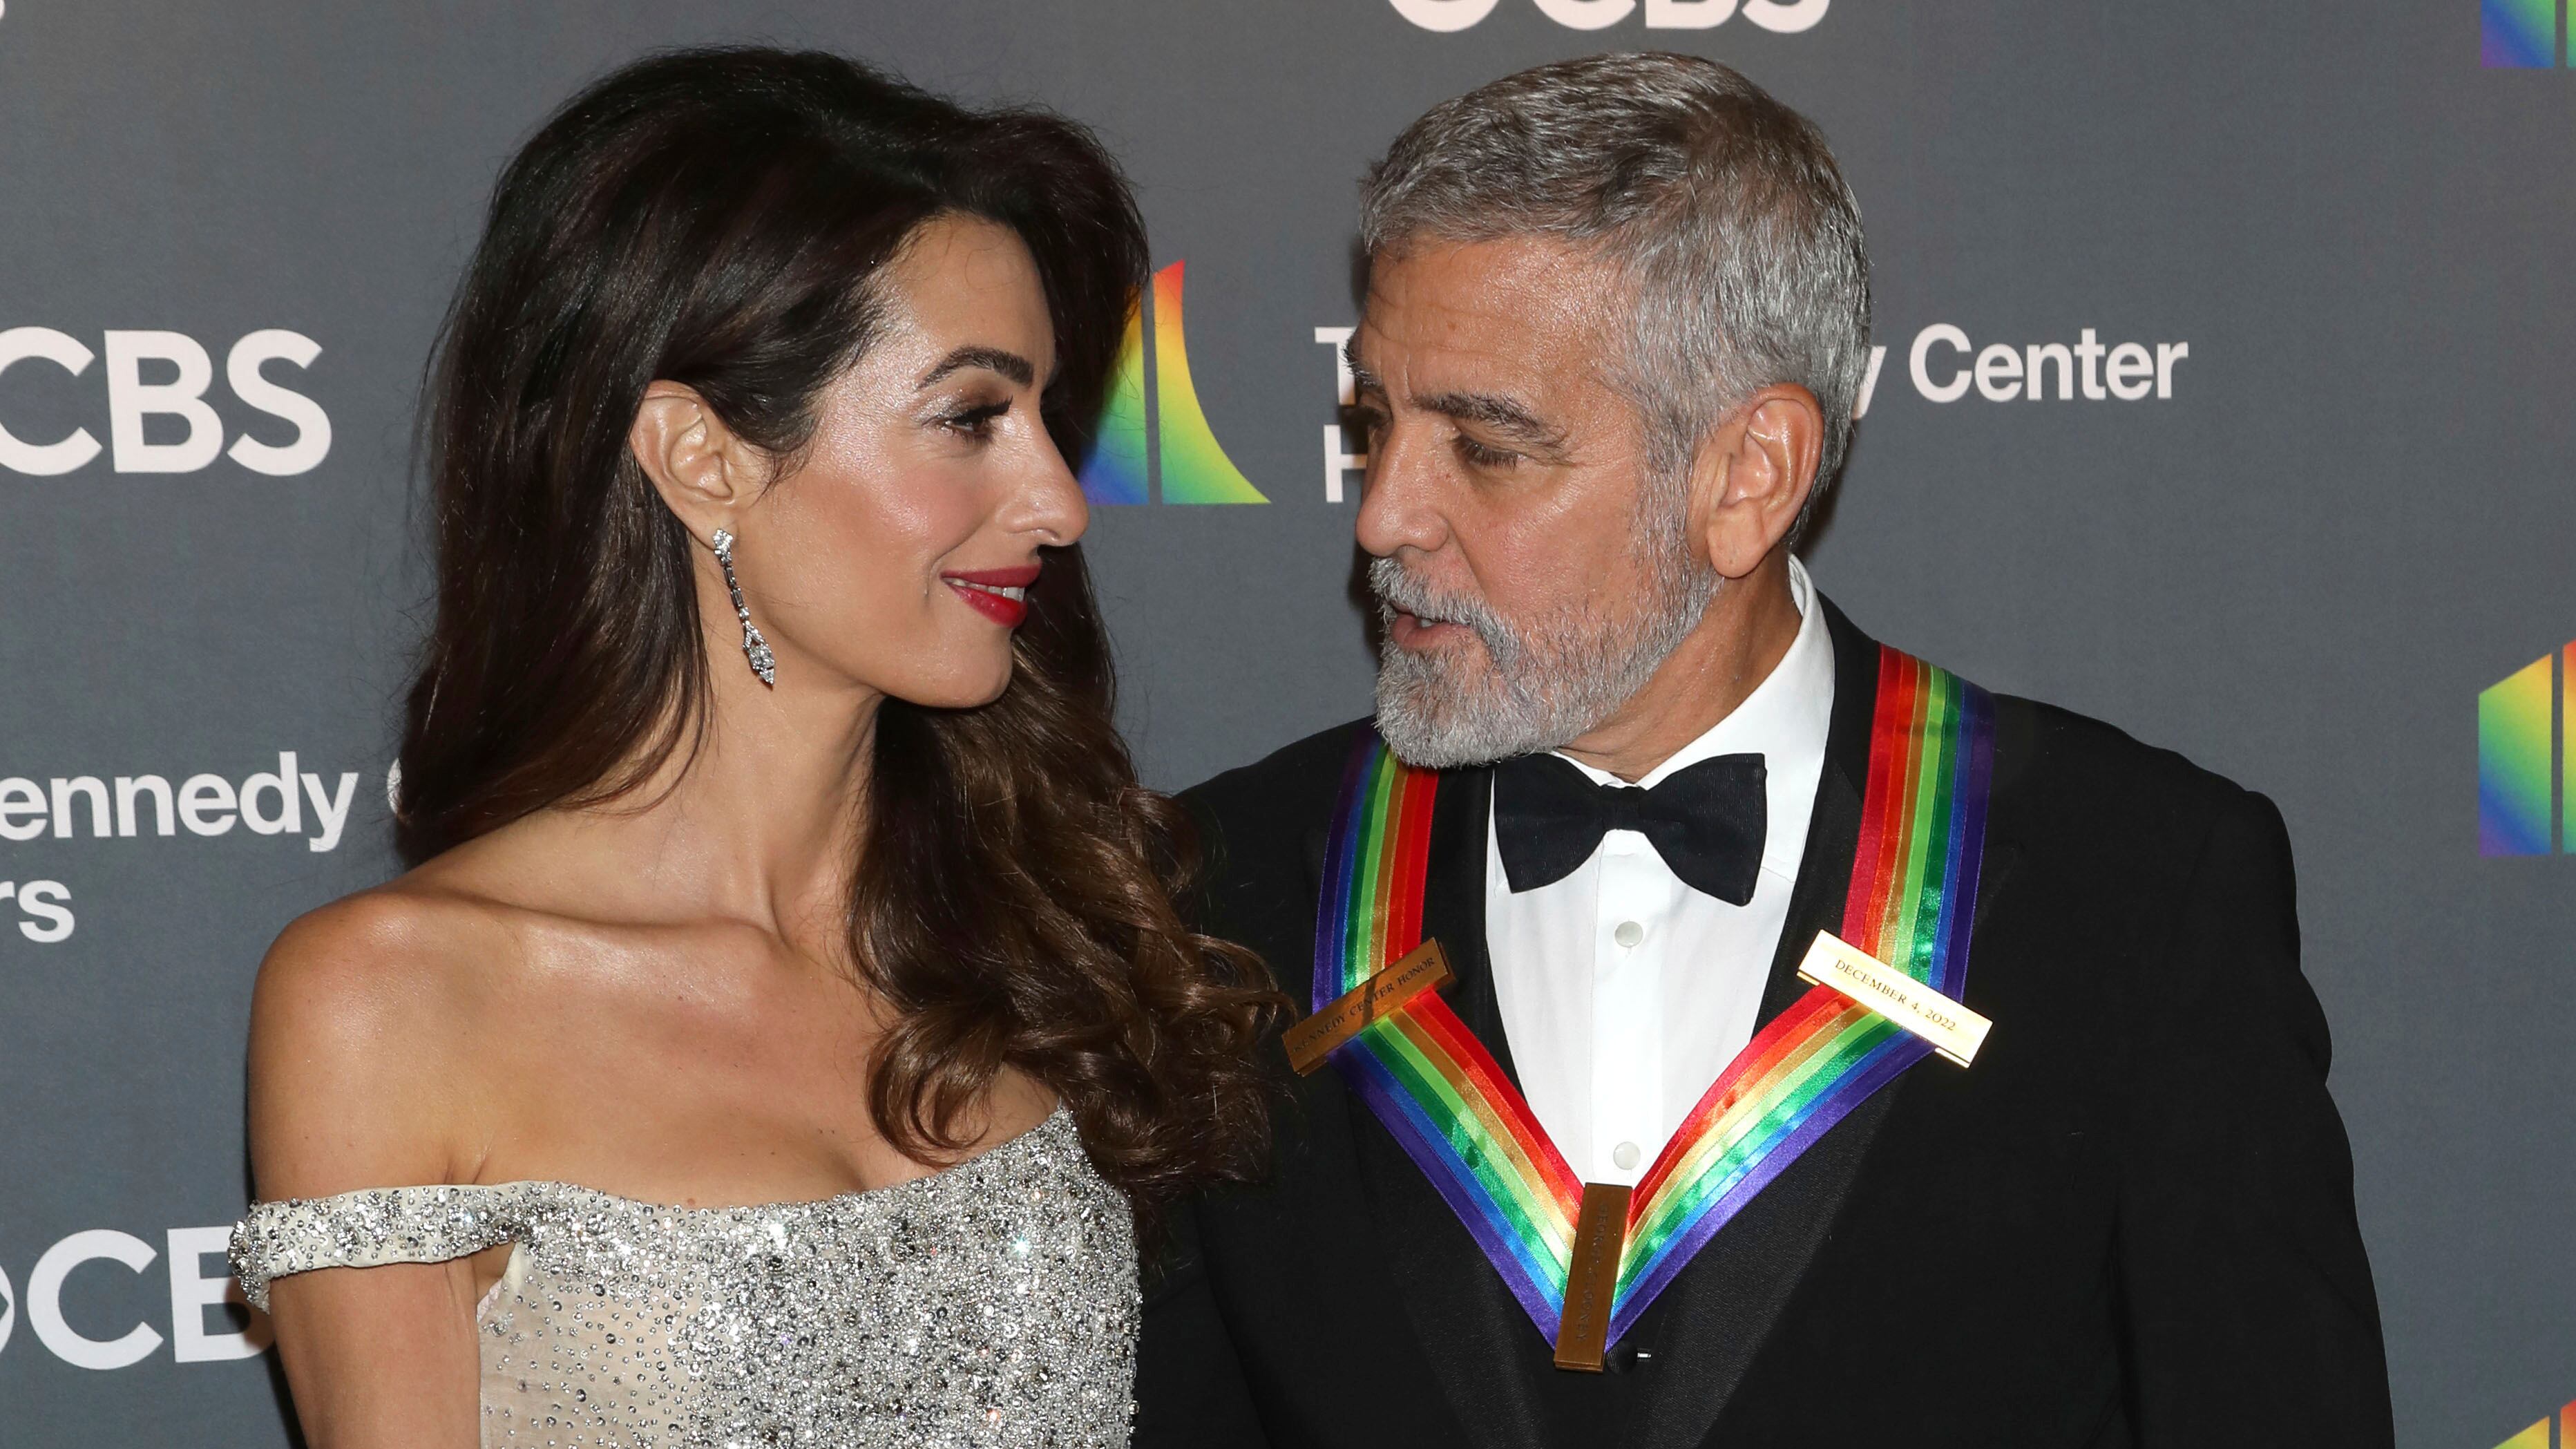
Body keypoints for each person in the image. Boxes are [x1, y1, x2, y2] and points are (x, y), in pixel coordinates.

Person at [1136, 52, 2393, 1448]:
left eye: (1484, 448)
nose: (1382, 516)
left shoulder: (2138, 890)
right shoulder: (1225, 886)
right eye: (1375, 423)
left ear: (1749, 475)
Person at [227, 47, 1272, 1449]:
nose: (1057, 501)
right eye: (970, 416)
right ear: (699, 456)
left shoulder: (1042, 925)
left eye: (1044, 416)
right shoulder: (391, 999)